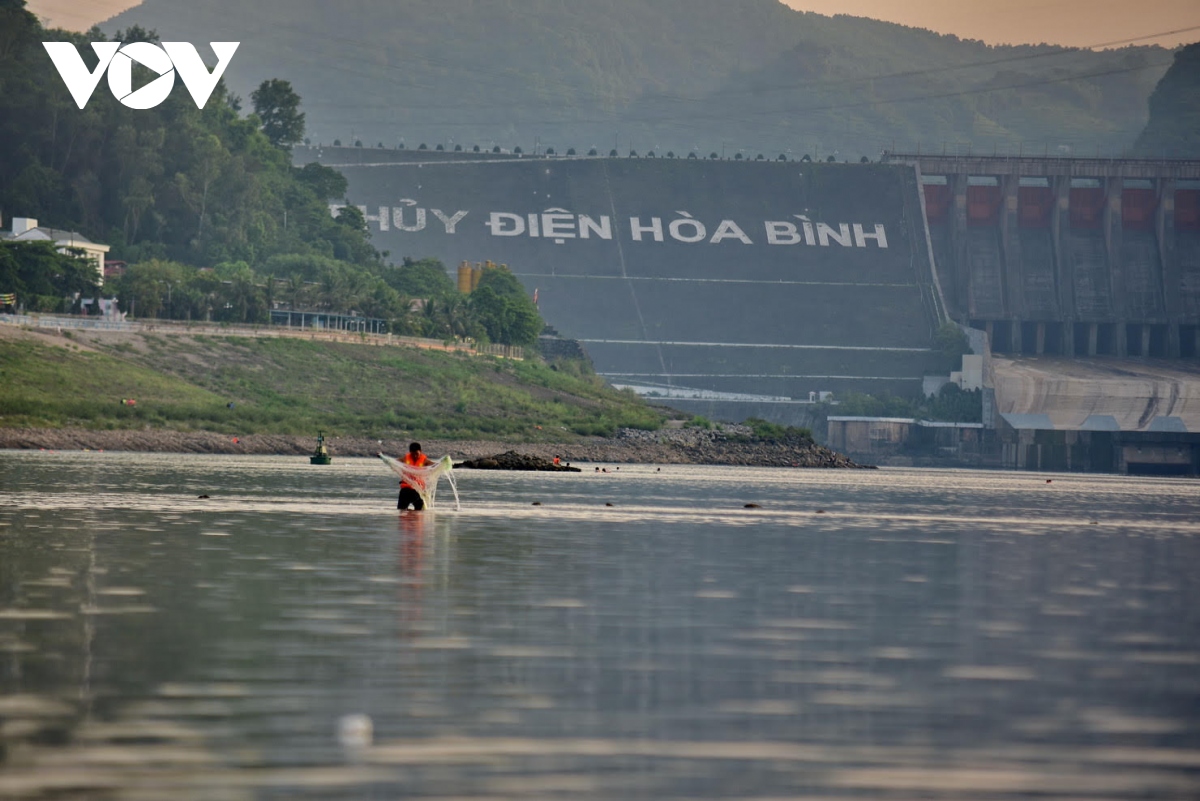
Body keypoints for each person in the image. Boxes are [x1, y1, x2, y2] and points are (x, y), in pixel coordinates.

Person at [398, 442, 428, 511]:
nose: (415, 456)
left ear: (420, 451)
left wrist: (452, 466)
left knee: (419, 510)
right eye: (413, 454)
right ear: (410, 452)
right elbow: (393, 462)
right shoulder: (405, 459)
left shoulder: (425, 461)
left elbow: (436, 466)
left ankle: (411, 516)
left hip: (417, 490)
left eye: (417, 454)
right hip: (405, 490)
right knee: (401, 511)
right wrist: (382, 457)